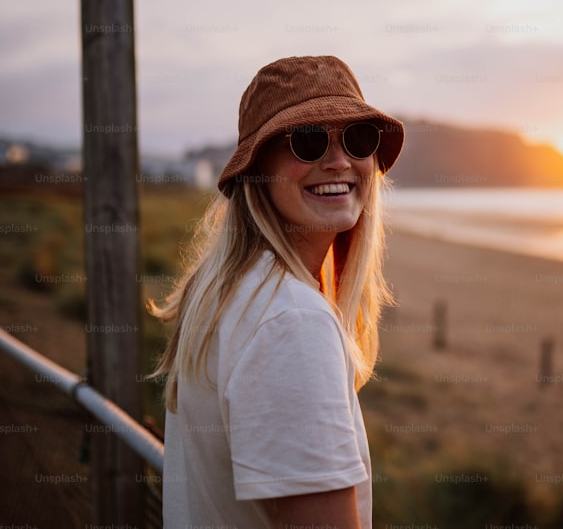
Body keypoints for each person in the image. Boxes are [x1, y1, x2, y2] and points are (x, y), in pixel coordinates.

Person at [149, 56, 404, 528]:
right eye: (307, 140)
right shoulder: (292, 322)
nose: (339, 160)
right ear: (256, 171)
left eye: (357, 138)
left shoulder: (226, 289)